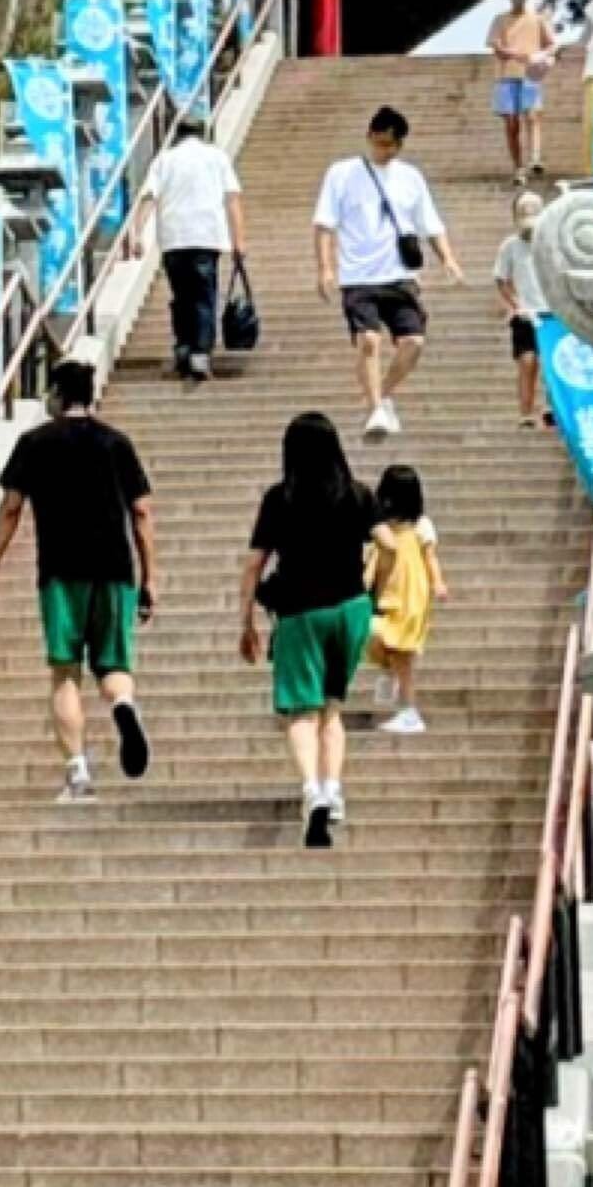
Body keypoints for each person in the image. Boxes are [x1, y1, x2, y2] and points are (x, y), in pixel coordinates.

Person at [0, 356, 158, 803]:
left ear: (57, 397)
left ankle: (78, 774)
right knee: (115, 668)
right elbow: (141, 512)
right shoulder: (116, 443)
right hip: (116, 570)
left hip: (61, 571)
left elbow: (10, 509)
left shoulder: (34, 443)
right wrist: (149, 577)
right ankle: (123, 706)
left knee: (65, 673)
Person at [242, 412, 380, 846]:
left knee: (302, 711)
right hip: (350, 608)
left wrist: (245, 618)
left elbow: (254, 564)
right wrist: (375, 584)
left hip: (300, 611)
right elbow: (389, 542)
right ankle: (334, 789)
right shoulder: (357, 495)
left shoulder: (279, 499)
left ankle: (311, 791)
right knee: (332, 709)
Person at [309, 106, 452, 436]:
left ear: (400, 145)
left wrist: (448, 258)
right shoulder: (342, 173)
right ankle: (375, 409)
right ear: (369, 137)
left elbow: (430, 223)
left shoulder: (410, 176)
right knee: (369, 340)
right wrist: (325, 268)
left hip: (399, 275)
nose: (382, 150)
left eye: (389, 145)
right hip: (359, 277)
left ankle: (381, 394)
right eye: (377, 142)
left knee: (414, 342)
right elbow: (324, 224)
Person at [139, 117, 248, 382]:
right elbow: (233, 199)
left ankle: (184, 348)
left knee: (181, 296)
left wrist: (135, 234)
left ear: (177, 135)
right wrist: (239, 240)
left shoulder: (165, 160)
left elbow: (149, 197)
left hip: (173, 239)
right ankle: (199, 353)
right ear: (204, 133)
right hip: (205, 237)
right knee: (202, 296)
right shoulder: (217, 158)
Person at [362, 463, 441, 737]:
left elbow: (430, 557)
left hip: (410, 597)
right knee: (377, 636)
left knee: (401, 651)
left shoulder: (420, 526)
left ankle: (409, 711)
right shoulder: (381, 527)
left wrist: (438, 583)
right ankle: (390, 673)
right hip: (386, 597)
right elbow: (373, 559)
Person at [492, 190, 555, 429]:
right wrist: (515, 303)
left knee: (550, 361)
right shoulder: (510, 246)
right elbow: (501, 278)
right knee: (527, 361)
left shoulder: (552, 243)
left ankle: (552, 408)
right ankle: (526, 412)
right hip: (525, 313)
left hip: (552, 312)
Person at [487, 0, 558, 184]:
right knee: (512, 123)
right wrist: (511, 52)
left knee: (533, 115)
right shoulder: (500, 20)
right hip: (506, 75)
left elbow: (552, 44)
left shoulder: (537, 18)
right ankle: (518, 166)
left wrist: (541, 56)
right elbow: (495, 45)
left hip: (530, 73)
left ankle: (535, 157)